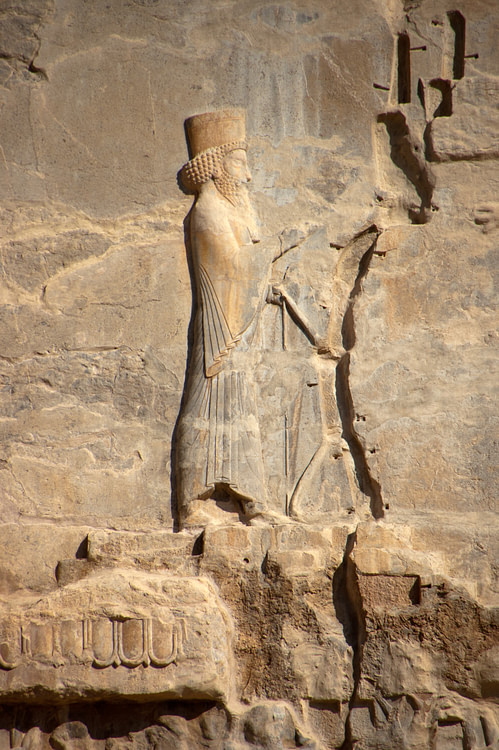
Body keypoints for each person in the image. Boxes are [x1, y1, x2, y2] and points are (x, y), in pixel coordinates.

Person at [176, 109, 276, 528]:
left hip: (237, 331)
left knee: (241, 406)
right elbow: (230, 270)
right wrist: (274, 248)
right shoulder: (208, 212)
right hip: (221, 329)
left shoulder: (231, 211)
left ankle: (249, 497)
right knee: (208, 403)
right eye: (240, 162)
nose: (248, 175)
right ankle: (194, 502)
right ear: (215, 165)